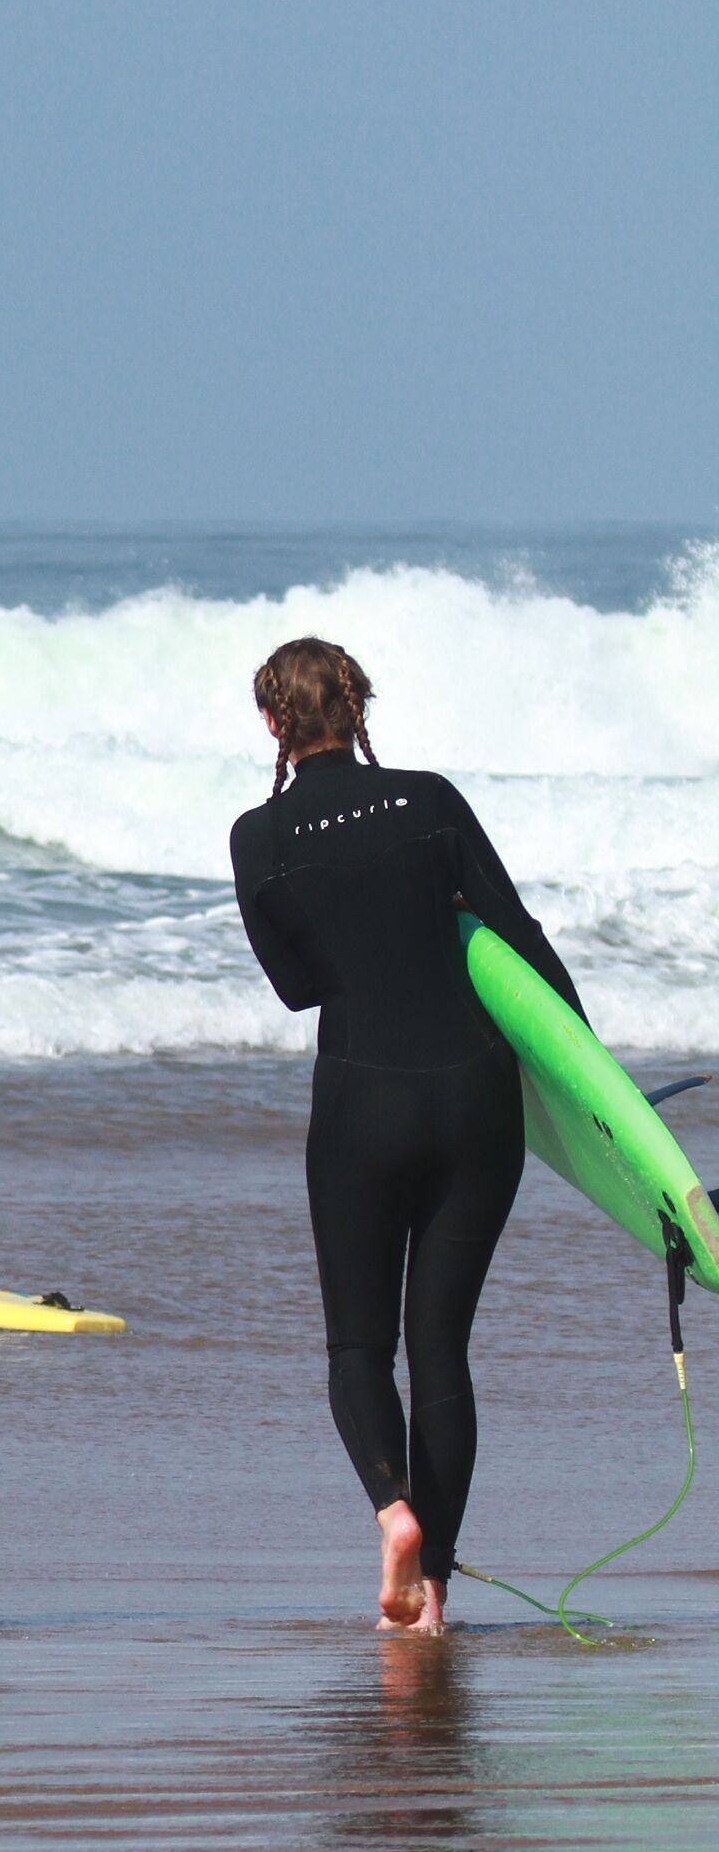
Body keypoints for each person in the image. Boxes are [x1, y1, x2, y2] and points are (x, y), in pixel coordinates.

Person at [230, 636, 584, 1637]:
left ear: (272, 724)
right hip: (479, 1101)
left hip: (362, 1104)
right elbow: (521, 939)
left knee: (357, 1348)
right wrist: (596, 1096)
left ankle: (395, 1516)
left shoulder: (259, 838)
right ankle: (433, 1597)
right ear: (359, 705)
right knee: (443, 1351)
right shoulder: (429, 799)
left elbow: (300, 987)